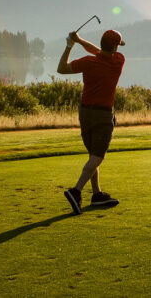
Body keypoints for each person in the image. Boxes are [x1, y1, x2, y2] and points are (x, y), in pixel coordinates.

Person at [57, 28, 126, 214]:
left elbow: (61, 68)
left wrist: (70, 45)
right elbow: (101, 52)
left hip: (85, 112)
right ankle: (76, 191)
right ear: (114, 48)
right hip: (103, 115)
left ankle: (97, 195)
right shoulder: (119, 60)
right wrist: (79, 42)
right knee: (97, 156)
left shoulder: (89, 62)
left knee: (92, 156)